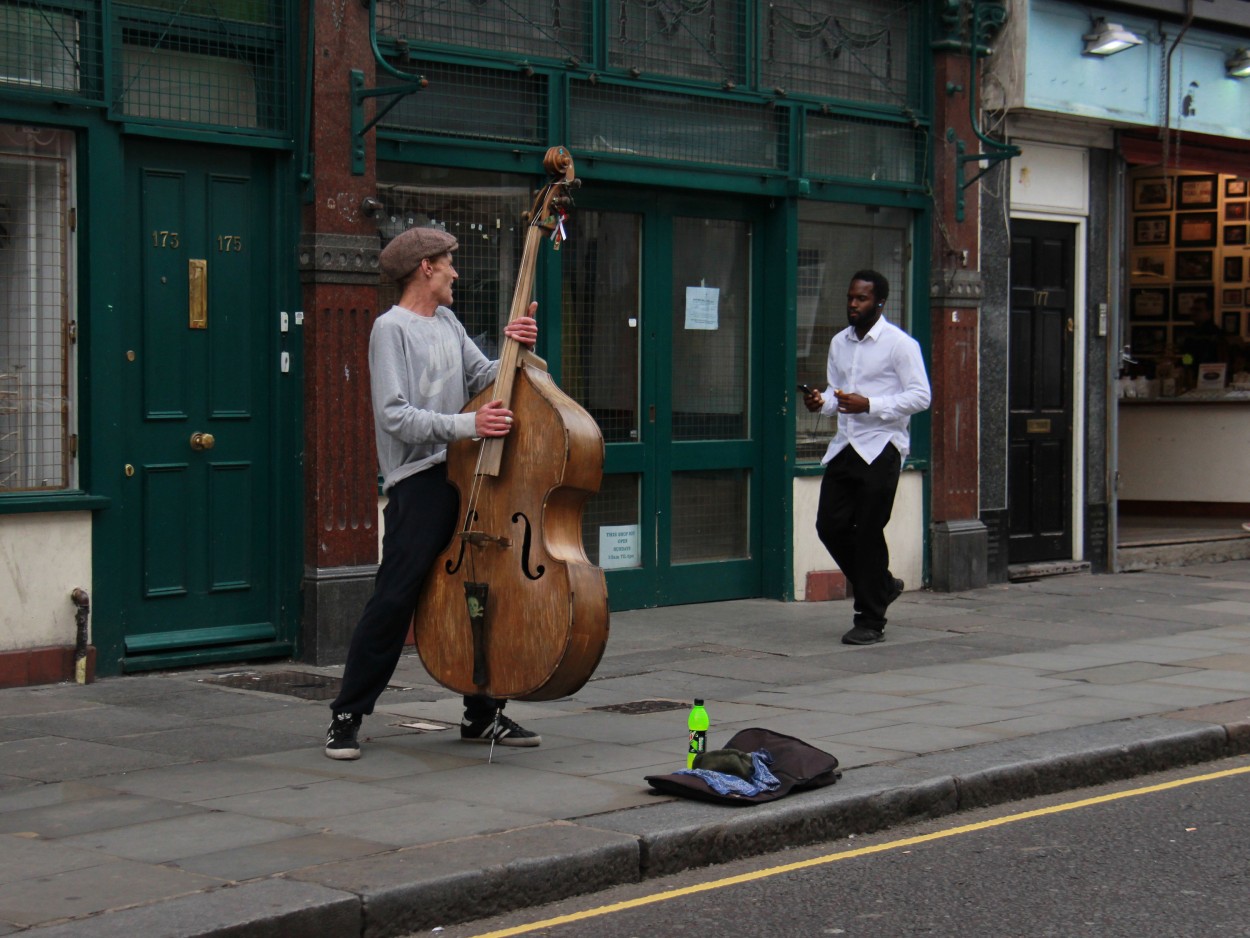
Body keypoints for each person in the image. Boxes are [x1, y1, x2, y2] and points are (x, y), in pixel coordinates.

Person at [325, 225, 541, 760]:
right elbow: (394, 416)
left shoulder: (447, 320)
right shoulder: (389, 329)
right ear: (425, 267)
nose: (455, 272)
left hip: (466, 474)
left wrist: (520, 347)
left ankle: (482, 712)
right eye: (448, 263)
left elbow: (485, 378)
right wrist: (470, 427)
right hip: (418, 482)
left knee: (478, 592)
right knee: (395, 597)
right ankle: (346, 715)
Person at [802, 270, 931, 646]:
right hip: (846, 445)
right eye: (850, 298)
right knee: (830, 526)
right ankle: (882, 584)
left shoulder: (899, 344)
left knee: (868, 530)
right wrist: (820, 402)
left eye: (861, 299)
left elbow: (921, 396)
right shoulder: (839, 342)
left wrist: (870, 404)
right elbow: (834, 394)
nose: (853, 305)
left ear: (880, 303)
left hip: (882, 446)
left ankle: (870, 619)